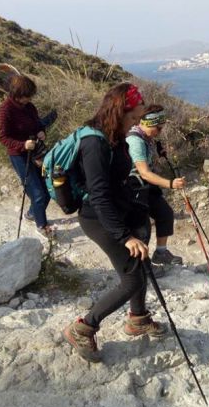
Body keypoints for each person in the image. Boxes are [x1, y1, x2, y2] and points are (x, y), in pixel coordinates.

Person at [63, 83, 167, 363]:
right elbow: (98, 195)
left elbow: (117, 180)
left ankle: (138, 319)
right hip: (98, 218)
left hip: (119, 211)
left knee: (140, 264)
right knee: (132, 277)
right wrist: (125, 236)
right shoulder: (94, 142)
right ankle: (83, 327)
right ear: (121, 111)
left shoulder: (114, 135)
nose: (135, 124)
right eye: (133, 118)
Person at [126, 104, 186, 268]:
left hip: (146, 187)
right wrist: (170, 184)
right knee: (142, 228)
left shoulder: (146, 138)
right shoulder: (135, 141)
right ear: (145, 123)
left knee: (165, 213)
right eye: (157, 128)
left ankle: (160, 253)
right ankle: (141, 267)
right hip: (134, 189)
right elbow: (144, 172)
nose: (159, 131)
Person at [0, 75, 53, 238]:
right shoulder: (5, 110)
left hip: (36, 152)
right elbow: (3, 138)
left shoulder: (29, 107)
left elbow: (36, 125)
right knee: (37, 192)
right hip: (19, 156)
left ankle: (31, 213)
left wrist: (40, 132)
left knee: (47, 189)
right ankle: (42, 226)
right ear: (17, 94)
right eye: (26, 96)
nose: (29, 99)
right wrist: (23, 145)